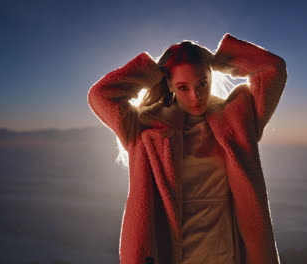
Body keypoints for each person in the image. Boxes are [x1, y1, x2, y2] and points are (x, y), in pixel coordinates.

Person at [87, 33, 287, 264]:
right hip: (171, 252)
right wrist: (153, 71)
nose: (196, 96)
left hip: (226, 250)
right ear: (169, 84)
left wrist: (220, 59)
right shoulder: (145, 128)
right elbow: (101, 95)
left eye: (202, 83)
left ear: (212, 76)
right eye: (183, 87)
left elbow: (273, 68)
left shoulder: (238, 120)